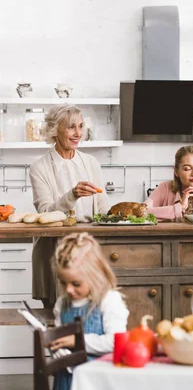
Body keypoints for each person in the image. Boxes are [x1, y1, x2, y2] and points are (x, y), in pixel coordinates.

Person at [29, 104, 110, 308]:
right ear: (55, 130)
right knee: (56, 318)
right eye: (71, 127)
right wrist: (72, 195)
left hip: (86, 250)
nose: (78, 133)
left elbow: (103, 209)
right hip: (52, 251)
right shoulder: (39, 168)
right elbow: (45, 213)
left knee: (90, 316)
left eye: (81, 126)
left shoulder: (91, 163)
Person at [49, 232, 129, 390]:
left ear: (94, 275)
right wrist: (57, 348)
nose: (69, 289)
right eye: (63, 283)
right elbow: (60, 341)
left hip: (98, 381)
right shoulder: (62, 304)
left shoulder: (109, 300)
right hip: (66, 380)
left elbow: (116, 342)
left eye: (76, 283)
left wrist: (77, 341)